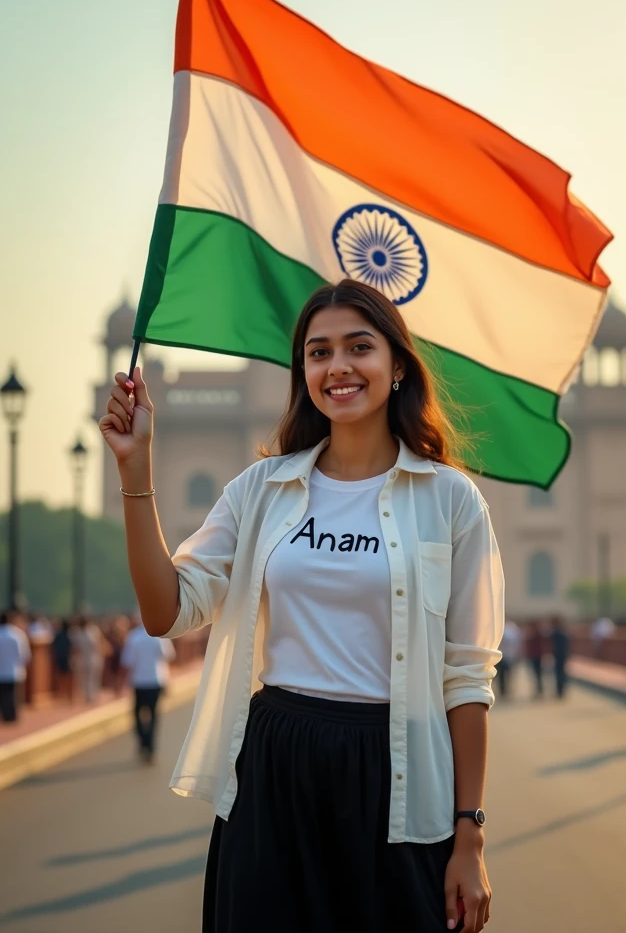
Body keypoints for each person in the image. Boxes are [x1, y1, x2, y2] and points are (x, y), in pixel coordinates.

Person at [99, 278, 505, 933]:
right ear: (302, 372)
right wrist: (135, 474)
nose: (337, 367)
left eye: (358, 348)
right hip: (277, 762)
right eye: (318, 353)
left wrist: (470, 837)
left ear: (397, 365)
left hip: (397, 770)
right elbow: (167, 613)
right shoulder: (263, 490)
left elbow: (466, 679)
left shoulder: (449, 501)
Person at [121, 614, 176, 762]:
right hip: (155, 681)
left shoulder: (133, 637)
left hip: (139, 681)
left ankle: (143, 742)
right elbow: (169, 655)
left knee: (138, 714)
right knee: (153, 714)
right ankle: (150, 745)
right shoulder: (160, 636)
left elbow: (127, 661)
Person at [0, 611, 31, 722]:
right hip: (14, 669)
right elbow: (24, 654)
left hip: (2, 670)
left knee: (4, 695)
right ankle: (12, 716)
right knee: (12, 694)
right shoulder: (17, 634)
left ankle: (5, 715)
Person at [71, 616, 105, 703]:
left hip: (88, 657)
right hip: (88, 657)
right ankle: (89, 696)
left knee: (89, 678)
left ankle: (90, 695)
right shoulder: (90, 632)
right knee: (88, 678)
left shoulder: (80, 633)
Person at [495, 618, 522, 700]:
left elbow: (517, 642)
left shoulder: (511, 629)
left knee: (509, 674)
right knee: (501, 675)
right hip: (501, 655)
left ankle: (507, 690)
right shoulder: (500, 627)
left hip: (510, 655)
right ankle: (503, 691)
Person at [51, 618, 74, 702]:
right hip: (66, 658)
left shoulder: (58, 635)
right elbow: (72, 648)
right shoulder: (69, 636)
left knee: (60, 677)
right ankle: (69, 696)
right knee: (68, 677)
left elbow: (53, 647)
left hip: (60, 658)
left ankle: (61, 695)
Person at [549, 616, 570, 699]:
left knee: (559, 674)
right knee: (562, 673)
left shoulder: (557, 633)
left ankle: (560, 691)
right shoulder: (564, 633)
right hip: (563, 655)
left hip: (559, 655)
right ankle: (561, 691)